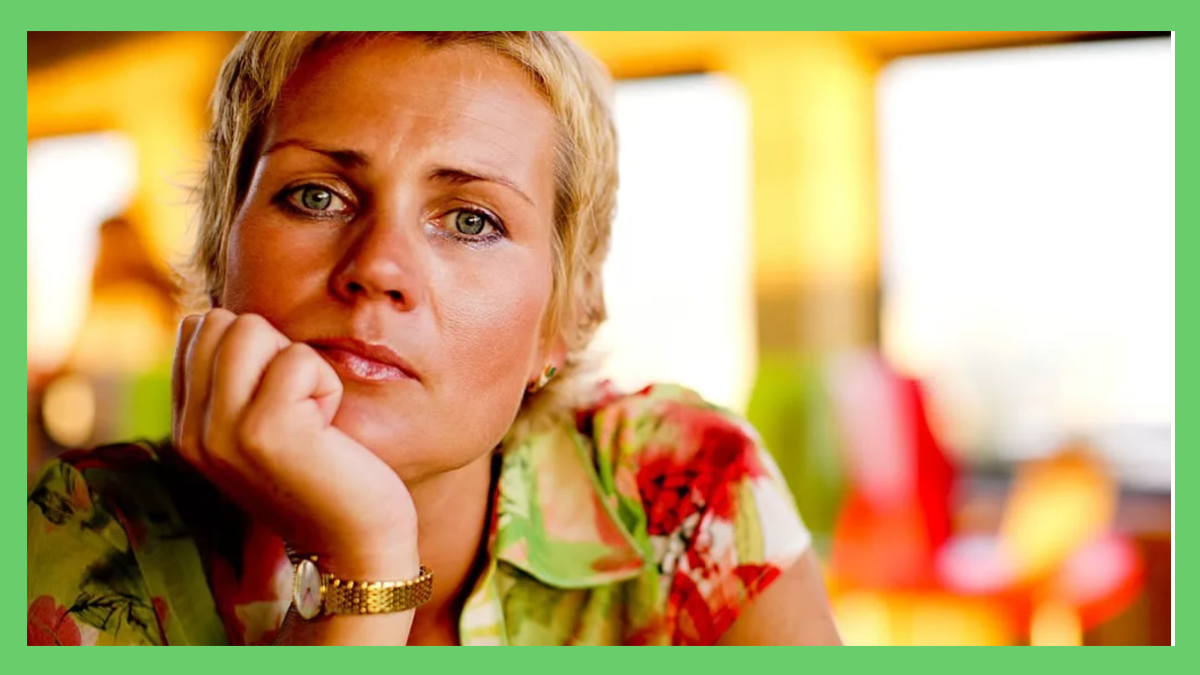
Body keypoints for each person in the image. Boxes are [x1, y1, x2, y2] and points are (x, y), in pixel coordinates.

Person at [26, 31, 842, 646]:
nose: (378, 267)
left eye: (472, 221)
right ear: (219, 258)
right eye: (317, 196)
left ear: (559, 322)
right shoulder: (83, 536)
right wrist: (364, 569)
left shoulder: (685, 494)